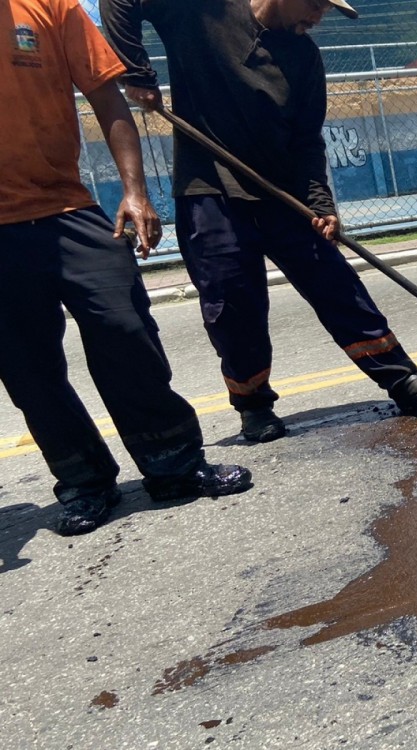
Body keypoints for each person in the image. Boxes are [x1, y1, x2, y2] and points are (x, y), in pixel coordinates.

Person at [100, 0, 417, 444]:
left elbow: (307, 139)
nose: (318, 17)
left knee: (337, 286)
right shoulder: (203, 14)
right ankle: (254, 405)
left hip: (284, 194)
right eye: (315, 5)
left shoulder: (305, 57)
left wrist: (321, 203)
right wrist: (136, 73)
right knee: (232, 304)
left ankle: (401, 380)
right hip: (210, 189)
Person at [0, 0, 252, 536]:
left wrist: (135, 193)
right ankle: (84, 483)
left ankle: (175, 466)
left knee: (125, 326)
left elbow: (107, 99)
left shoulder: (49, 8)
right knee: (27, 368)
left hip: (64, 208)